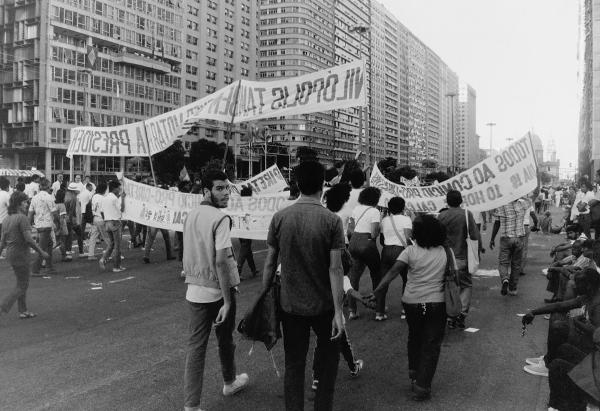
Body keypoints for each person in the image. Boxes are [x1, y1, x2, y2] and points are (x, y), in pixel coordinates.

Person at [262, 161, 345, 411]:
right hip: (325, 306)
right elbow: (335, 268)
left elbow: (269, 264)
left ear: (297, 184)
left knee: (294, 365)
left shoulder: (280, 217)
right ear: (322, 185)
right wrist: (339, 311)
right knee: (328, 366)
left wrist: (265, 299)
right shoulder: (332, 221)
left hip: (290, 306)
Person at [183, 169, 248, 411]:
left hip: (193, 291)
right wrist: (228, 300)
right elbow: (221, 261)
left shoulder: (191, 215)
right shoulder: (220, 219)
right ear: (206, 191)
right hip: (217, 293)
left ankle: (191, 406)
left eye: (226, 188)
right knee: (225, 340)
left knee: (196, 349)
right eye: (219, 188)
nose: (225, 193)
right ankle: (229, 382)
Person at [369, 214, 448, 401]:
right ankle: (423, 386)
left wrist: (377, 292)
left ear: (418, 233)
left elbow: (392, 272)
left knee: (415, 338)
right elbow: (457, 273)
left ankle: (414, 376)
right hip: (437, 304)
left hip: (412, 303)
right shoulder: (446, 252)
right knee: (431, 345)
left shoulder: (409, 252)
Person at [521, 268, 600, 378]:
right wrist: (533, 312)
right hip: (585, 338)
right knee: (556, 315)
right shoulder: (589, 295)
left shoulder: (597, 305)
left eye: (579, 284)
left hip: (592, 352)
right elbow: (560, 305)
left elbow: (597, 334)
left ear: (588, 286)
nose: (575, 287)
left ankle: (548, 365)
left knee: (558, 327)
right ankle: (548, 358)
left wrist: (577, 323)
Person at [0, 191, 49, 319]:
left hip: (11, 254)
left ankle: (23, 310)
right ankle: (3, 306)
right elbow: (28, 239)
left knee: (21, 282)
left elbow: (2, 241)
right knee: (23, 284)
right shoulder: (22, 218)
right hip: (21, 254)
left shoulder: (6, 219)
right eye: (25, 202)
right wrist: (41, 251)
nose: (27, 204)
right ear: (19, 204)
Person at [438, 190, 480, 329]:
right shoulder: (466, 215)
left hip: (444, 258)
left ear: (447, 201)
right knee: (465, 285)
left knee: (447, 286)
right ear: (461, 200)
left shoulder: (441, 216)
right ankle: (461, 314)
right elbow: (474, 235)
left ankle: (450, 315)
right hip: (462, 257)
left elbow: (437, 238)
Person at [347, 187, 384, 320]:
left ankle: (352, 311)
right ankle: (379, 311)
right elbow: (374, 233)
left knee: (354, 278)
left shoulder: (356, 209)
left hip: (353, 243)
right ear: (375, 199)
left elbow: (349, 230)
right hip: (367, 244)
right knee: (376, 275)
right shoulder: (374, 211)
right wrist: (377, 232)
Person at [490, 196, 532, 296]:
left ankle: (505, 279)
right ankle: (513, 288)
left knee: (503, 262)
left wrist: (492, 239)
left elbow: (496, 221)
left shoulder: (501, 206)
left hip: (506, 238)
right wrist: (520, 195)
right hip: (519, 238)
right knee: (516, 264)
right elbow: (530, 200)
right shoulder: (522, 205)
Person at [379, 196, 412, 298]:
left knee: (384, 281)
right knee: (407, 280)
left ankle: (380, 312)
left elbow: (381, 240)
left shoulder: (384, 220)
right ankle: (404, 310)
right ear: (403, 207)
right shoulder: (406, 219)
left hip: (386, 250)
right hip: (401, 251)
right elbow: (408, 238)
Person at [28, 178, 57, 276]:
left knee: (49, 244)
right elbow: (54, 212)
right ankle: (35, 269)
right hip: (47, 224)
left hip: (38, 225)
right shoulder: (49, 197)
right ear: (48, 187)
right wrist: (58, 223)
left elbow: (30, 213)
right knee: (42, 248)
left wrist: (29, 225)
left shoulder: (34, 198)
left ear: (40, 186)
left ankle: (49, 267)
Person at [99, 180, 126, 273]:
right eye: (119, 188)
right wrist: (122, 199)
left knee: (111, 244)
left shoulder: (105, 198)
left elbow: (101, 211)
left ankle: (103, 259)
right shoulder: (115, 198)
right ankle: (116, 267)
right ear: (114, 189)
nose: (119, 190)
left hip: (107, 222)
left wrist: (106, 219)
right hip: (115, 222)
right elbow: (122, 209)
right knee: (117, 246)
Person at [236, 186, 259, 279]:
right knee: (245, 248)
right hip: (246, 229)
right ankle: (238, 270)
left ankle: (253, 269)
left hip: (239, 229)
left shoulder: (238, 203)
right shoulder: (248, 203)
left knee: (247, 249)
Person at [87, 183, 108, 260]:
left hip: (95, 218)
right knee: (108, 238)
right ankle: (113, 253)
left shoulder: (94, 196)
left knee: (93, 237)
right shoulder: (103, 198)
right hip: (101, 218)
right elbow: (103, 211)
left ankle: (90, 254)